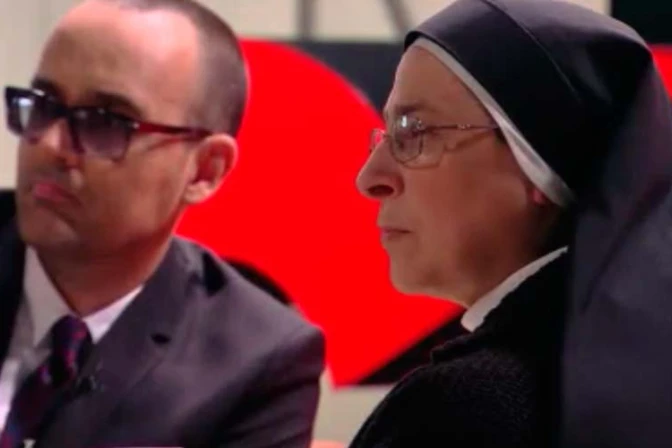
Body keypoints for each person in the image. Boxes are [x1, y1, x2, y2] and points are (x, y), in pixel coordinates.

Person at [0, 0, 325, 447]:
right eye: (44, 105)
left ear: (204, 170)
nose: (51, 145)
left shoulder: (258, 361)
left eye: (104, 123)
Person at [349, 0, 672, 447]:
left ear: (540, 164)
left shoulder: (467, 408)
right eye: (388, 134)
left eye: (415, 131)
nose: (370, 179)